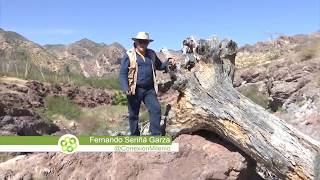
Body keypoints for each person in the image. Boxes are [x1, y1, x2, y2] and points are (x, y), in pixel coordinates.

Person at [119, 32, 176, 136]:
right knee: (133, 115)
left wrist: (169, 62)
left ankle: (155, 135)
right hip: (134, 89)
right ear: (135, 42)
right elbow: (123, 73)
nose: (142, 44)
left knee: (156, 109)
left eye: (145, 42)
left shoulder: (151, 54)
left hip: (149, 89)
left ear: (148, 43)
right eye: (140, 41)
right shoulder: (129, 55)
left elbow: (160, 66)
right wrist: (125, 87)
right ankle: (135, 137)